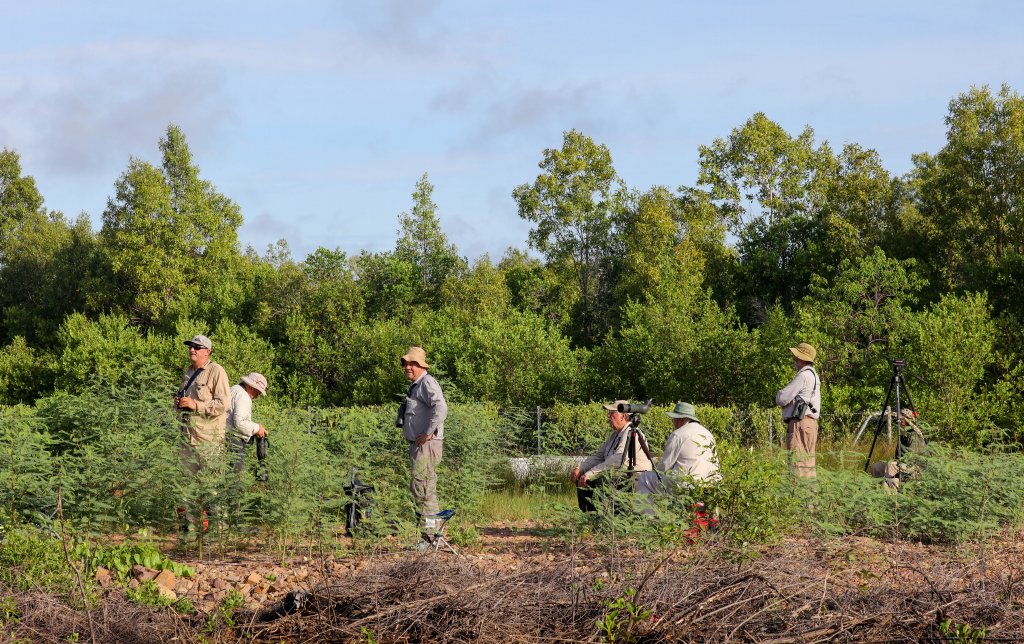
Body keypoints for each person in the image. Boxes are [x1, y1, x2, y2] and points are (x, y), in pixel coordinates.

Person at [174, 334, 231, 530]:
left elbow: (223, 404)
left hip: (208, 441)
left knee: (211, 488)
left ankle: (218, 530)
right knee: (186, 487)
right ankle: (190, 528)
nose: (192, 350)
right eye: (191, 346)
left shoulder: (217, 372)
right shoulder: (188, 373)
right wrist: (179, 404)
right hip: (187, 439)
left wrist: (195, 405)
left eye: (197, 347)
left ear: (207, 352)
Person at [399, 346, 448, 547]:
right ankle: (431, 536)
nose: (408, 367)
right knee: (421, 489)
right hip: (419, 447)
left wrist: (428, 432)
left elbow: (441, 407)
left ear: (421, 366)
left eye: (413, 364)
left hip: (426, 446)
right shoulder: (417, 385)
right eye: (406, 363)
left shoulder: (427, 383)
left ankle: (430, 538)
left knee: (424, 490)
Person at [571, 400, 653, 511]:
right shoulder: (615, 435)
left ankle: (610, 518)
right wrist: (580, 468)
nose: (608, 416)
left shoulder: (631, 432)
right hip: (618, 473)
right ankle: (590, 518)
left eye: (612, 413)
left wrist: (591, 473)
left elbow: (618, 459)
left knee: (603, 480)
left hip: (634, 477)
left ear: (623, 416)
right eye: (609, 413)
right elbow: (599, 456)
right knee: (582, 478)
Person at [637, 402, 721, 497]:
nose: (673, 422)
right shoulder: (708, 434)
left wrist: (654, 466)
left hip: (686, 485)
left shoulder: (678, 434)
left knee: (645, 478)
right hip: (711, 484)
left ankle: (646, 511)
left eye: (674, 419)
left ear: (680, 419)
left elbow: (664, 467)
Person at [775, 342, 821, 478]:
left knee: (797, 465)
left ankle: (799, 498)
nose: (795, 360)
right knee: (808, 465)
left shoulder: (803, 375)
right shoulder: (814, 376)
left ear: (802, 359)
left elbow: (782, 398)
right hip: (810, 424)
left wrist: (779, 395)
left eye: (797, 357)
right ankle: (811, 498)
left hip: (799, 424)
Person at [226, 372, 269, 480]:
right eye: (257, 391)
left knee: (225, 477)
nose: (258, 395)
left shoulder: (234, 389)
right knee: (233, 481)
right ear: (250, 386)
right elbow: (240, 423)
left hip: (223, 436)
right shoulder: (244, 396)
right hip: (233, 441)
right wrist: (257, 428)